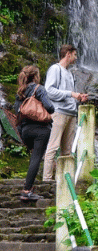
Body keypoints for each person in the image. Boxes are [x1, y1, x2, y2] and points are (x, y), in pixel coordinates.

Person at [42, 45, 88, 182]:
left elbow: (69, 95)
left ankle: (64, 180)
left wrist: (79, 97)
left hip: (71, 113)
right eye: (74, 54)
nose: (76, 57)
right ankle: (47, 179)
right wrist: (71, 94)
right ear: (68, 54)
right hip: (59, 113)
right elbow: (49, 91)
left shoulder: (69, 73)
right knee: (53, 146)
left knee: (67, 151)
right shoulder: (55, 69)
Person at [15, 65, 55, 201]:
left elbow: (17, 113)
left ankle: (29, 187)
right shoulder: (39, 89)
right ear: (36, 76)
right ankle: (26, 190)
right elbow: (50, 107)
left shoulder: (20, 92)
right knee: (36, 158)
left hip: (25, 131)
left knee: (34, 157)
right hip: (41, 129)